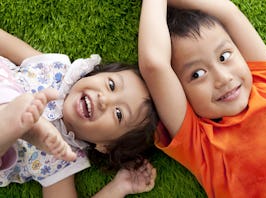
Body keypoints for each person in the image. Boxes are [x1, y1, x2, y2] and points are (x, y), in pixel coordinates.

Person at [138, 0, 266, 197]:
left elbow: (230, 13)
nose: (223, 79)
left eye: (224, 57)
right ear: (181, 92)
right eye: (197, 74)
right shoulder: (199, 142)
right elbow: (154, 65)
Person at [0, 28, 157, 197]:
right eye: (111, 85)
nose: (104, 100)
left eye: (119, 114)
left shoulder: (63, 158)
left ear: (105, 146)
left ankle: (11, 124)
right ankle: (14, 118)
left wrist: (119, 188)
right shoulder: (55, 69)